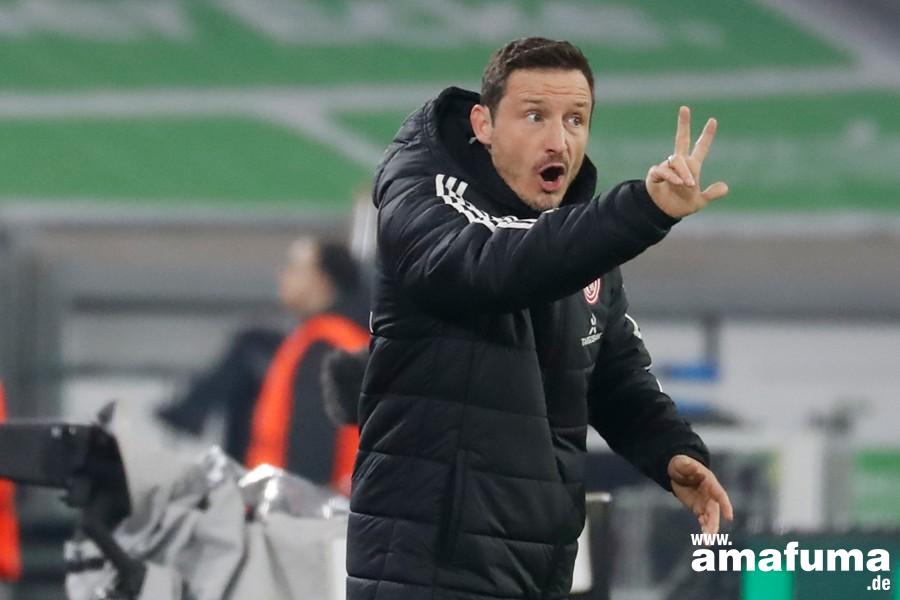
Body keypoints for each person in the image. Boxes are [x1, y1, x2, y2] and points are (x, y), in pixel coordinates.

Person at [346, 37, 734, 599]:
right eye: (535, 116)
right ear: (483, 123)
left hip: (540, 570)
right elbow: (492, 266)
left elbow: (614, 375)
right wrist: (640, 211)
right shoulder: (426, 195)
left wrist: (673, 451)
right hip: (426, 569)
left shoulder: (578, 242)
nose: (558, 140)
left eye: (576, 120)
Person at [158, 237, 368, 495]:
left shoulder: (325, 346)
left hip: (298, 506)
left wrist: (292, 508)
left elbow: (311, 453)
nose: (283, 276)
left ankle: (190, 414)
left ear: (322, 281)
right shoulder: (336, 338)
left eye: (294, 268)